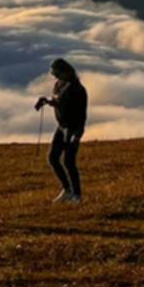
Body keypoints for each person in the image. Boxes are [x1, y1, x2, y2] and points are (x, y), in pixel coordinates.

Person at [35, 58, 88, 203]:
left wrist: (77, 134)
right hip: (62, 127)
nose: (54, 75)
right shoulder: (59, 84)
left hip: (73, 129)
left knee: (69, 162)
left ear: (64, 71)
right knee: (53, 158)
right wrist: (47, 101)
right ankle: (67, 190)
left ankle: (77, 195)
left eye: (56, 72)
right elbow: (59, 101)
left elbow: (81, 114)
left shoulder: (77, 89)